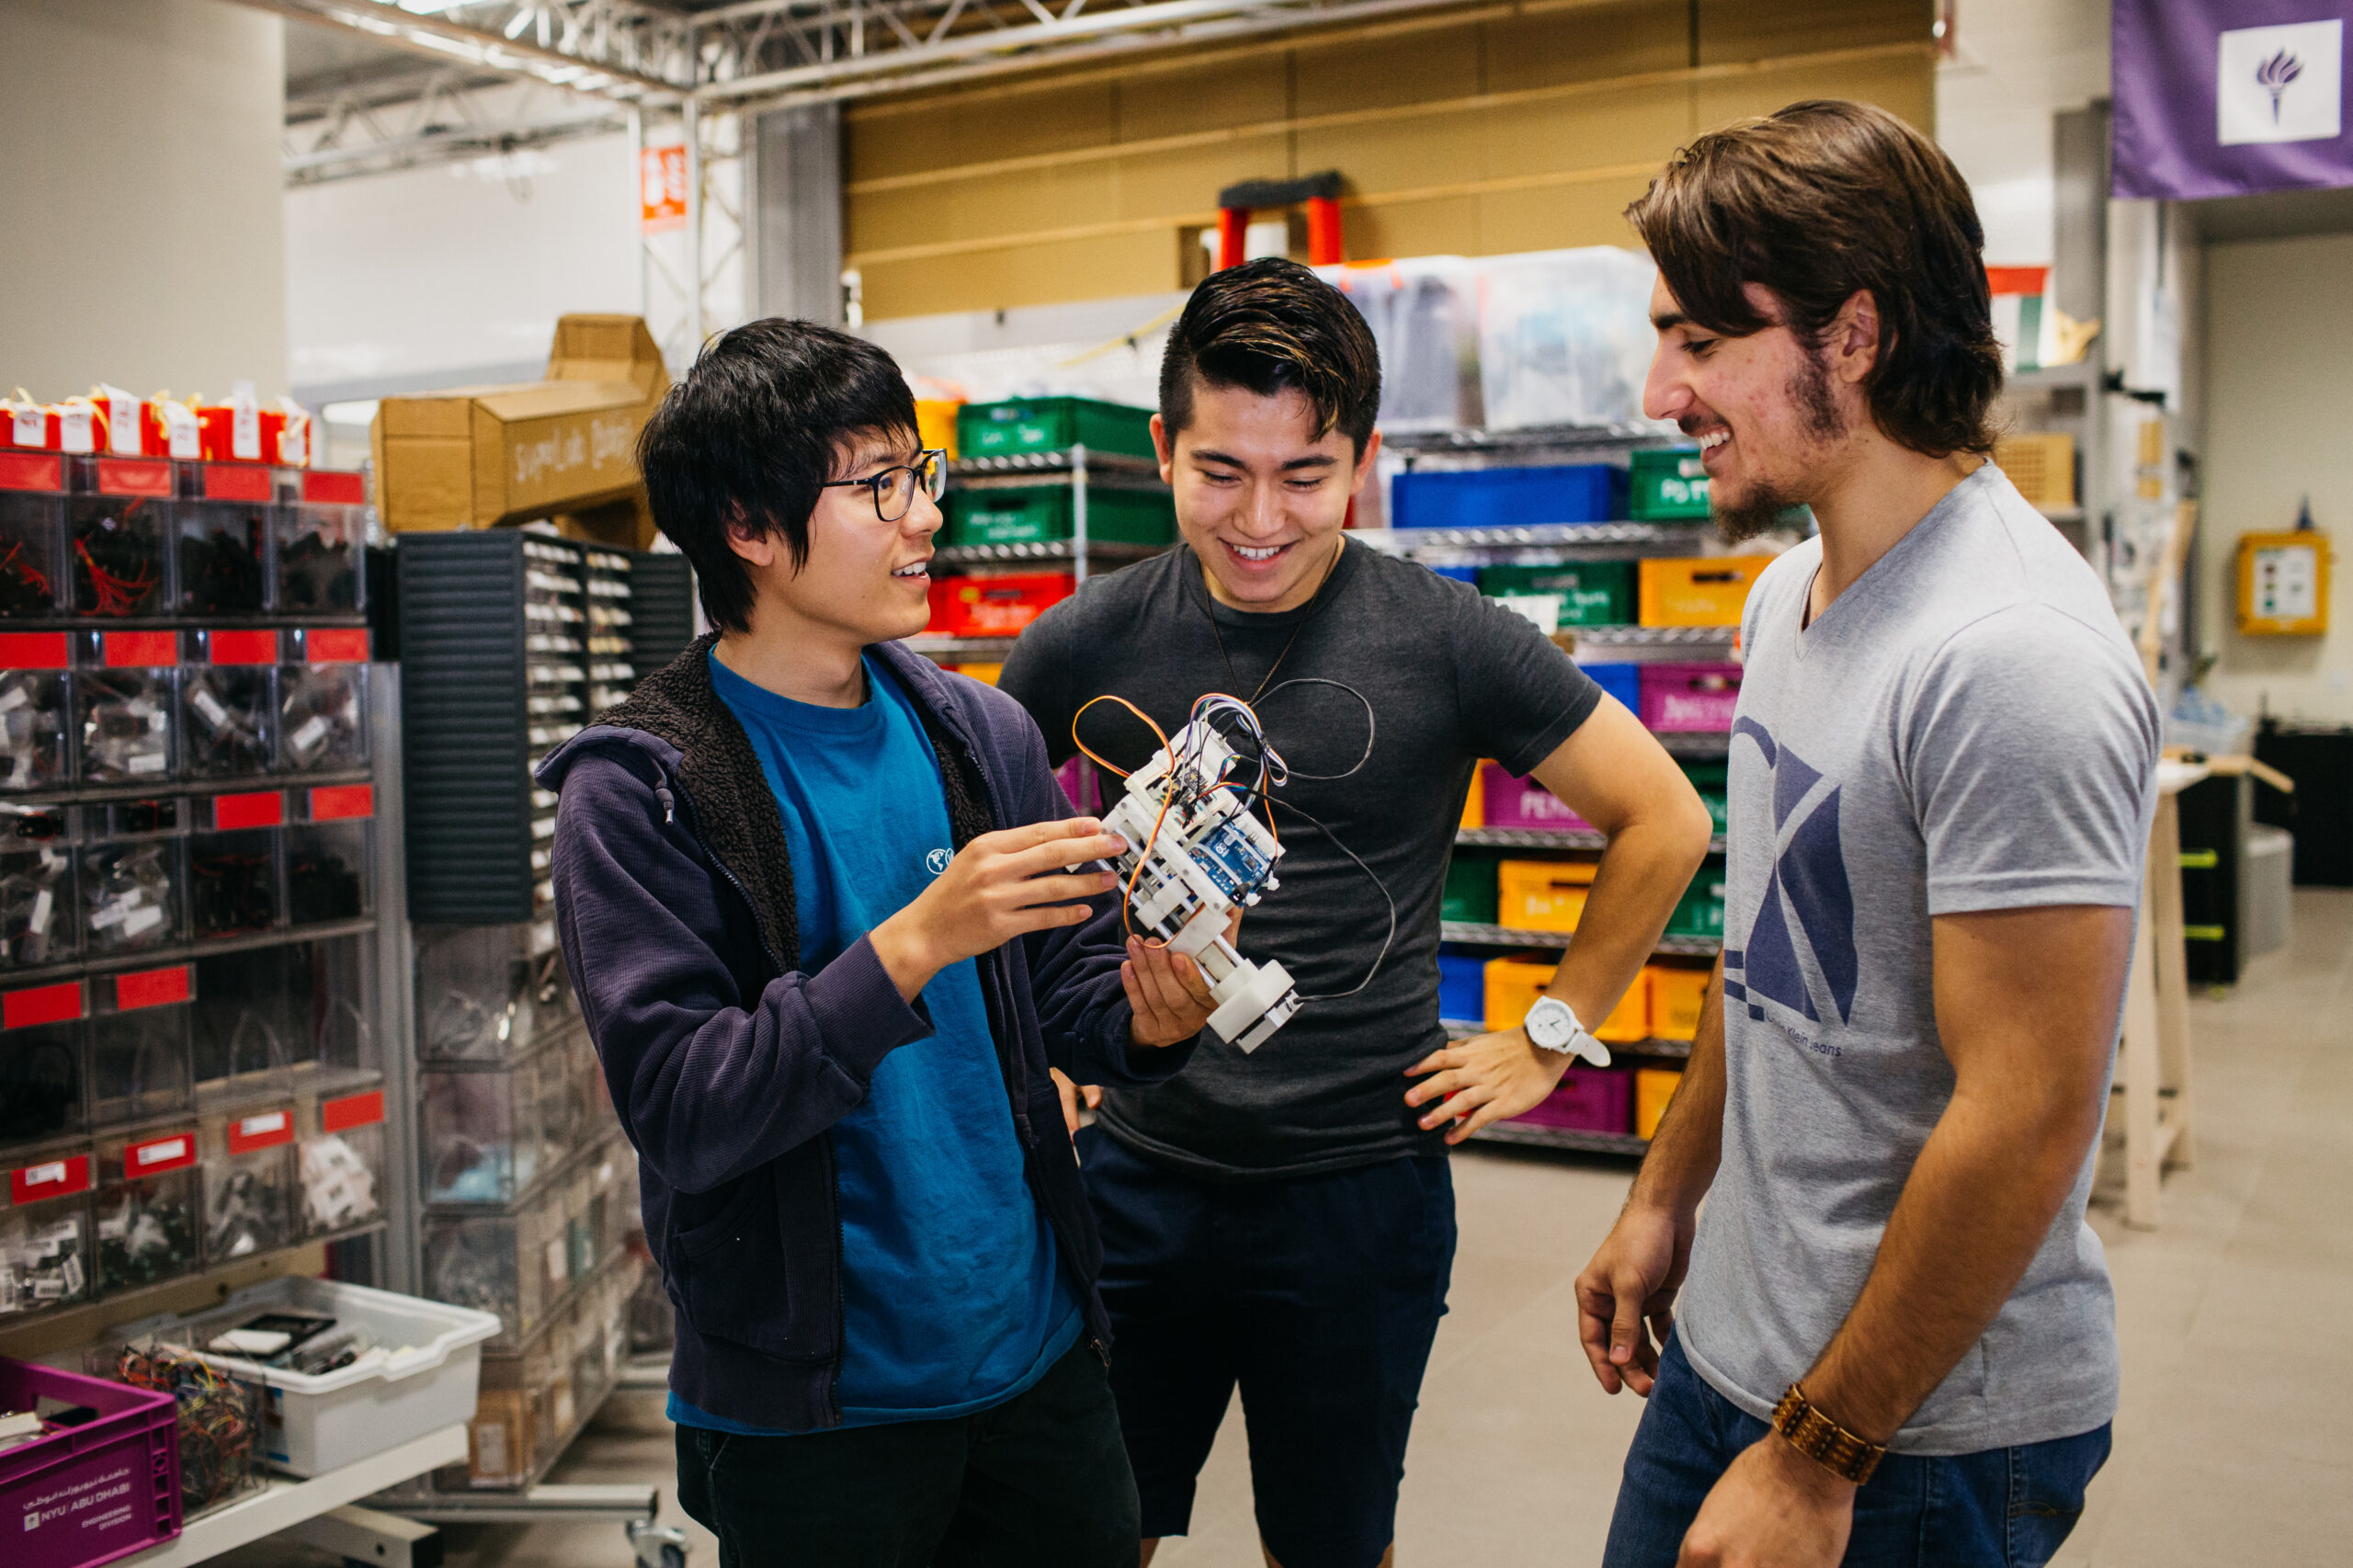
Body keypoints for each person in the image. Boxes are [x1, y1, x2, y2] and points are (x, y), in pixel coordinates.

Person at [998, 257, 1714, 1568]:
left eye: (1305, 473)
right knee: (1089, 1532)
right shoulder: (1079, 644)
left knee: (1330, 1549)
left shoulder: (1450, 639)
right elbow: (988, 853)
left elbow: (1666, 819)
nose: (1260, 516)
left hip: (1360, 1193)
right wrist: (1038, 1054)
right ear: (1164, 450)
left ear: (1364, 462)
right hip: (1137, 1182)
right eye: (1220, 471)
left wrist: (1551, 1034)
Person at [1574, 100, 2162, 1568]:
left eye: (1702, 342)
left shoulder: (2011, 657)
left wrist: (1823, 1455)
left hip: (1914, 1436)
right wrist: (1665, 1194)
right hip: (1737, 1357)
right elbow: (1770, 954)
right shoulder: (1791, 598)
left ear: (1853, 336)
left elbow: (2028, 1113)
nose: (1661, 392)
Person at [539, 319, 1226, 1568]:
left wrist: (1146, 1021)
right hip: (816, 1409)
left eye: (924, 477)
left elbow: (1063, 990)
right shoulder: (640, 792)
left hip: (1035, 1353)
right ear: (748, 526)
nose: (925, 519)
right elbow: (688, 1108)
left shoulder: (982, 734)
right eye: (880, 488)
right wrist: (910, 945)